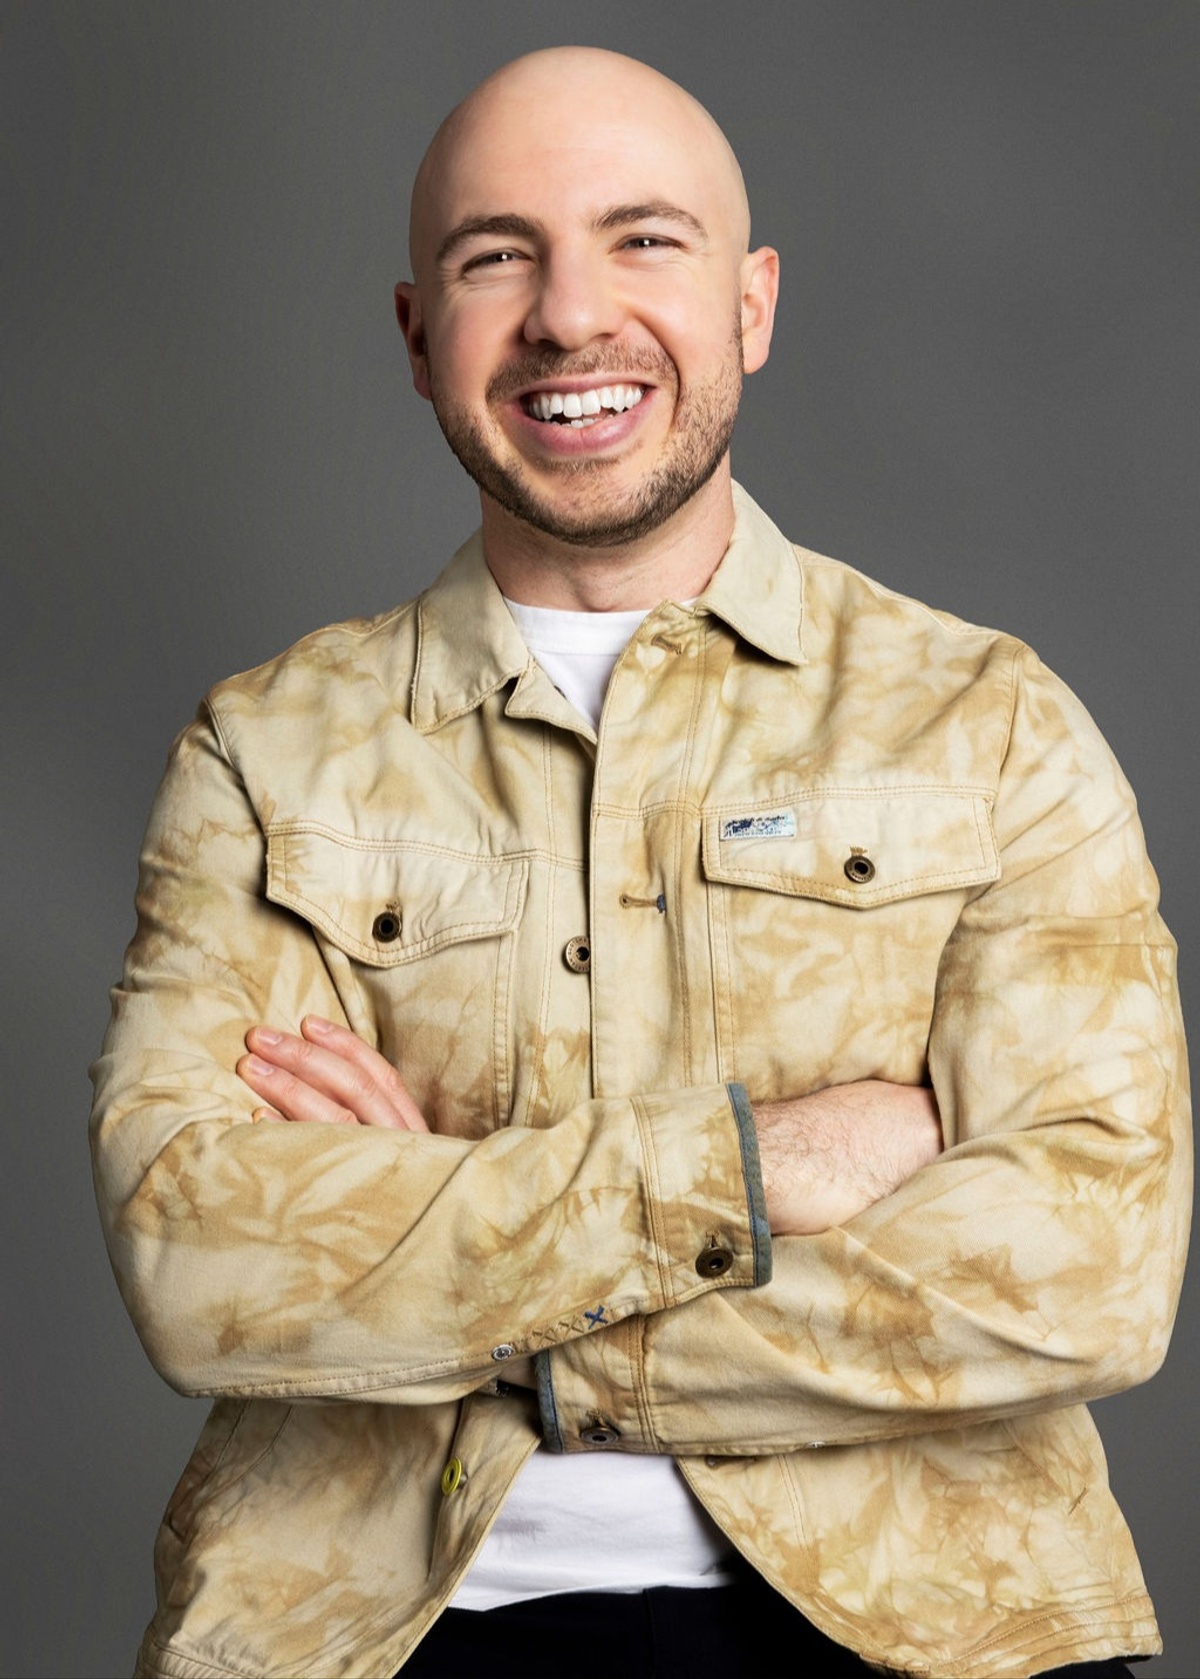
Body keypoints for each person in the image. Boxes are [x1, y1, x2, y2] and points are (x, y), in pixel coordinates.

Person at [90, 46, 1189, 1679]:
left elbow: (1092, 1266)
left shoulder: (990, 723)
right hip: (382, 1634)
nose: (568, 315)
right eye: (497, 257)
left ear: (752, 304)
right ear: (417, 336)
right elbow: (204, 1258)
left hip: (946, 1633)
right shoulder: (267, 754)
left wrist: (468, 1274)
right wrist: (759, 1169)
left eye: (643, 240)